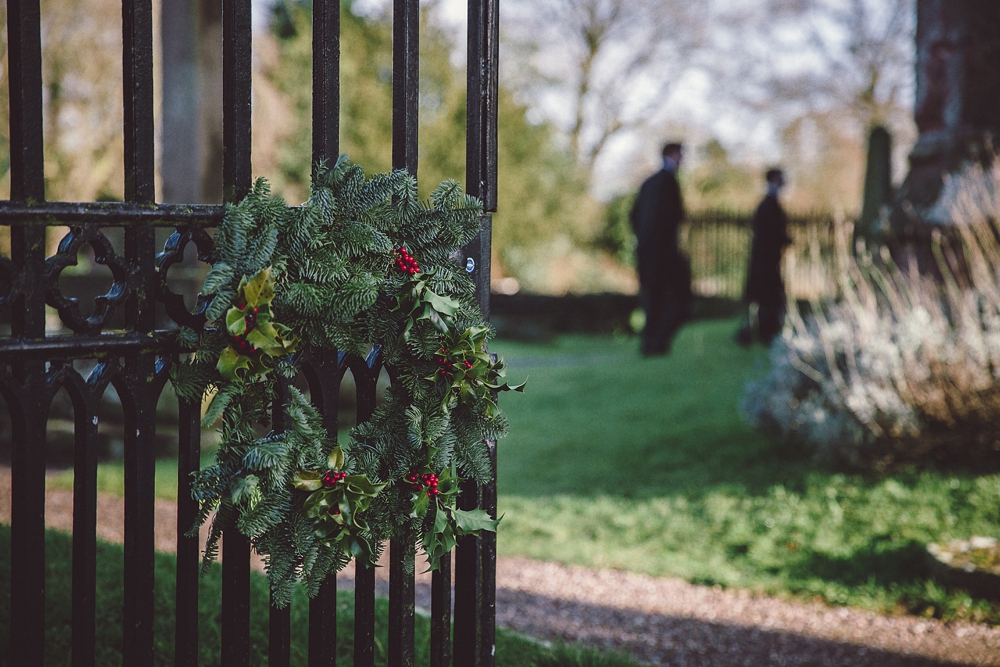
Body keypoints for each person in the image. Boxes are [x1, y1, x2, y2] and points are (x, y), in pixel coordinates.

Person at [630, 142, 692, 356]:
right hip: (663, 252)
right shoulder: (668, 183)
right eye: (680, 155)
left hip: (646, 251)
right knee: (679, 294)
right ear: (671, 155)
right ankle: (657, 341)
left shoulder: (648, 183)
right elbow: (672, 217)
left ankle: (651, 343)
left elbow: (634, 216)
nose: (682, 159)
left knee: (652, 298)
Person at [736, 168, 792, 346]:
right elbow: (770, 233)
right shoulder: (769, 205)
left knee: (766, 299)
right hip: (765, 262)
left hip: (767, 261)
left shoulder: (769, 204)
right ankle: (761, 333)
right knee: (767, 298)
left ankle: (759, 332)